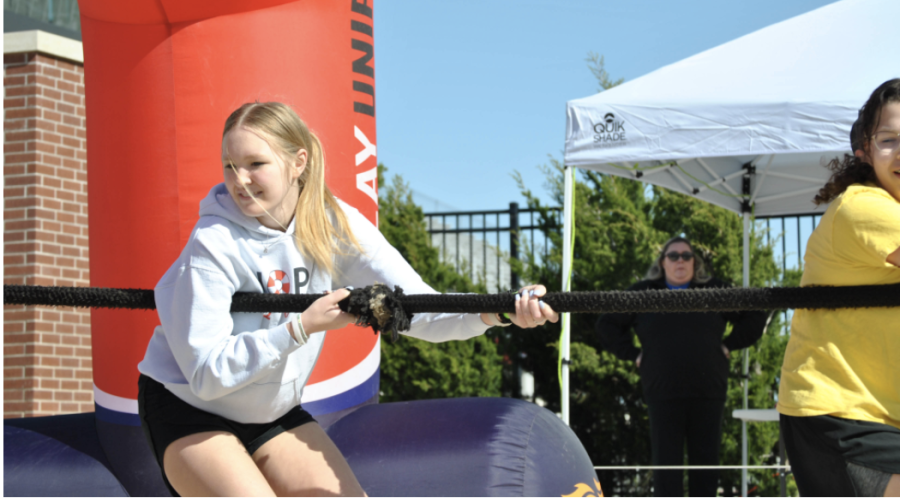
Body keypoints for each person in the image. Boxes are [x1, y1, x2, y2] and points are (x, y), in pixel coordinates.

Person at [137, 101, 559, 497]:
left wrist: (498, 309)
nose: (239, 180)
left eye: (255, 164)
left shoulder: (334, 223)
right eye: (230, 166)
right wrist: (301, 327)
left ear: (298, 162)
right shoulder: (212, 243)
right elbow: (207, 375)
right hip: (190, 405)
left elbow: (418, 308)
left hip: (268, 411)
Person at [777, 79, 900, 497]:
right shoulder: (865, 206)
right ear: (864, 149)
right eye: (890, 140)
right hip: (840, 412)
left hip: (875, 414)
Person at [596, 236, 767, 497]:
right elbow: (606, 324)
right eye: (673, 255)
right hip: (662, 392)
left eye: (686, 256)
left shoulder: (713, 290)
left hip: (708, 391)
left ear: (694, 263)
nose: (680, 260)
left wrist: (730, 344)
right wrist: (633, 354)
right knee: (666, 470)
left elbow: (756, 312)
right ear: (663, 262)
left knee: (706, 469)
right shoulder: (644, 293)